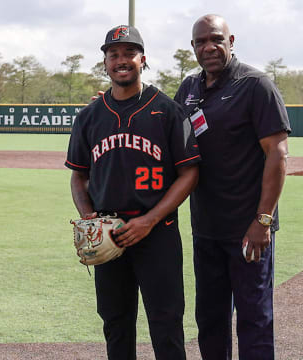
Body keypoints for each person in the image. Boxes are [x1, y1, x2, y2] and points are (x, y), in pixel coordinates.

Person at [66, 25, 200, 359]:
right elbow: (78, 178)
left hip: (158, 234)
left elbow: (189, 173)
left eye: (129, 53)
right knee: (115, 322)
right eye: (114, 54)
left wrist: (150, 220)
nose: (121, 60)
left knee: (167, 323)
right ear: (105, 63)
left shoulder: (168, 110)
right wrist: (88, 217)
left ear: (143, 60)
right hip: (108, 235)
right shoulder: (89, 116)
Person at [173, 14, 291, 359]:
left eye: (216, 39)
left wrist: (263, 220)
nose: (208, 47)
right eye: (200, 42)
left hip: (248, 230)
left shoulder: (256, 85)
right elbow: (169, 138)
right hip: (206, 229)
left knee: (254, 320)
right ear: (193, 47)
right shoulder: (190, 88)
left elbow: (278, 154)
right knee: (210, 320)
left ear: (231, 41)